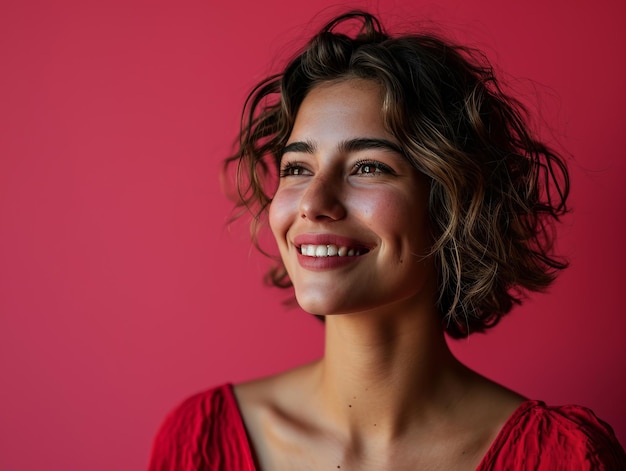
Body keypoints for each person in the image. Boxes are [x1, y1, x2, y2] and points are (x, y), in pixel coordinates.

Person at [148, 10, 626, 470]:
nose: (314, 202)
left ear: (453, 204)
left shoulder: (564, 459)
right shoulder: (200, 442)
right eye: (297, 168)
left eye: (368, 167)